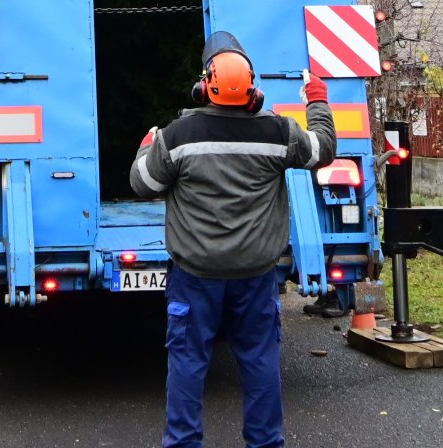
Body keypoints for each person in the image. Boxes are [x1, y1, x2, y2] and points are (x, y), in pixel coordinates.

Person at [129, 31, 336, 448]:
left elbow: (143, 184)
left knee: (188, 362)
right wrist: (316, 99)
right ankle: (264, 443)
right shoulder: (279, 133)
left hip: (195, 275)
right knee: (259, 361)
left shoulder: (178, 136)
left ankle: (184, 443)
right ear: (253, 91)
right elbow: (324, 150)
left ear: (204, 86)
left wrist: (146, 146)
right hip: (256, 276)